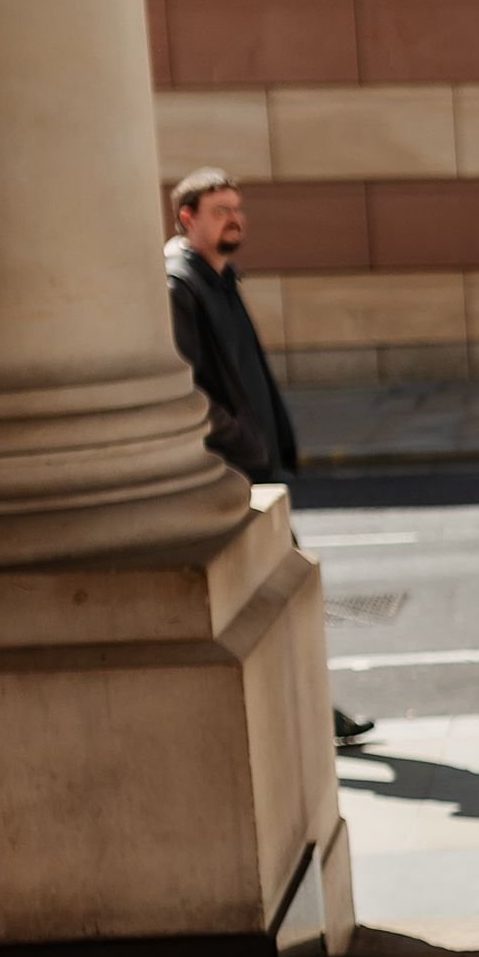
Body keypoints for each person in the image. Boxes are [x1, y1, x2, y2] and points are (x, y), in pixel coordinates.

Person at [164, 166, 372, 754]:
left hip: (256, 466)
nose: (234, 218)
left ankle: (312, 714)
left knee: (284, 591)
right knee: (284, 589)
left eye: (237, 207)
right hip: (231, 470)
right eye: (219, 210)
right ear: (187, 217)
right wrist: (244, 442)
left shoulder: (219, 280)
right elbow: (187, 389)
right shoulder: (180, 286)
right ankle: (311, 717)